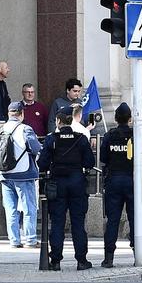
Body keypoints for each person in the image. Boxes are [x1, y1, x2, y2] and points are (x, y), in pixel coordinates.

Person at [38, 106, 95, 271]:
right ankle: (81, 260)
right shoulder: (81, 138)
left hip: (57, 185)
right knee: (78, 223)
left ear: (58, 121)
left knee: (57, 223)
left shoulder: (51, 139)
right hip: (77, 183)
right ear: (71, 120)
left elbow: (42, 163)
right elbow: (90, 162)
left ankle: (55, 261)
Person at [100, 102, 142, 268]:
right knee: (135, 219)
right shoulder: (136, 135)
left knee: (112, 220)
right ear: (130, 119)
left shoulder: (109, 136)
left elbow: (103, 158)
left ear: (115, 118)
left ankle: (108, 258)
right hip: (132, 181)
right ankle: (138, 255)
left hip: (114, 181)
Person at [0, 102, 42, 248]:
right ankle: (30, 240)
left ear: (9, 113)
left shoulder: (0, 130)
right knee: (29, 208)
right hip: (24, 173)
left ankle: (14, 240)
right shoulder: (25, 129)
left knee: (11, 210)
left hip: (5, 174)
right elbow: (35, 148)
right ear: (21, 113)